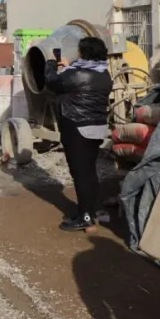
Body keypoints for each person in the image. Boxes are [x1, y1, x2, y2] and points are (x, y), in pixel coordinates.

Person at [44, 36, 112, 232]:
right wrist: (68, 67)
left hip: (77, 129)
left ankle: (86, 216)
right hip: (97, 127)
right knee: (90, 171)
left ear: (84, 53)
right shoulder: (103, 73)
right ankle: (92, 208)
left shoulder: (75, 74)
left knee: (80, 174)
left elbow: (51, 81)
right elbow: (77, 79)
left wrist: (50, 62)